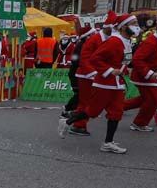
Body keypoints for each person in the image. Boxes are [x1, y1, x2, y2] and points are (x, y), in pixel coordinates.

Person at [59, 11, 138, 153]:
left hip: (116, 84)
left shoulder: (127, 42)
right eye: (133, 24)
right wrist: (108, 70)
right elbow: (95, 58)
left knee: (116, 112)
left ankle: (108, 142)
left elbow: (121, 61)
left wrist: (125, 70)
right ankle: (68, 121)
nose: (137, 26)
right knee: (92, 111)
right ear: (122, 27)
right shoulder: (114, 41)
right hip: (104, 83)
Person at [123, 20, 157, 132]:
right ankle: (139, 123)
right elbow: (137, 59)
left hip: (148, 74)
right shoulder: (152, 41)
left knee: (145, 99)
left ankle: (117, 107)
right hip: (144, 75)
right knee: (153, 100)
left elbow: (154, 58)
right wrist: (148, 72)